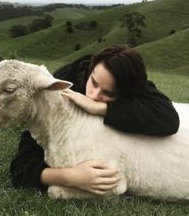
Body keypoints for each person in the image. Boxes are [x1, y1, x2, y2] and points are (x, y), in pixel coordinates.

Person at [10, 44, 179, 195]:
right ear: (91, 70)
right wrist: (69, 177)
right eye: (94, 82)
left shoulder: (132, 84)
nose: (94, 95)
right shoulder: (64, 86)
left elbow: (168, 119)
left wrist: (101, 108)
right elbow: (21, 165)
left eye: (109, 93)